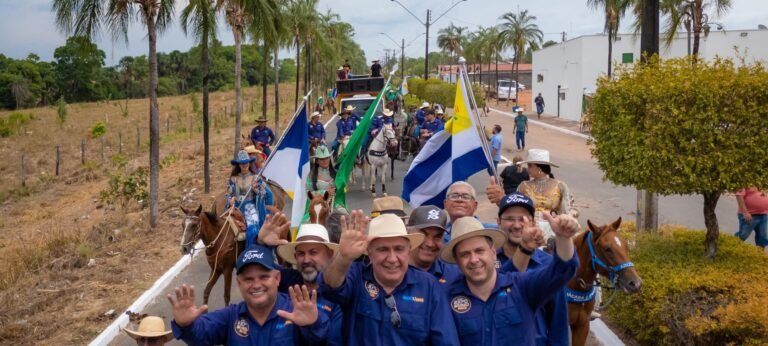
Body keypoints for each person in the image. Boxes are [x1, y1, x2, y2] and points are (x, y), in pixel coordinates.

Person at [318, 212, 460, 346]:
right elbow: (331, 286)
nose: (392, 259)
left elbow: (446, 341)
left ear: (408, 250)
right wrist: (343, 258)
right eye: (383, 249)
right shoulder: (356, 276)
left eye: (399, 249)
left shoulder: (429, 286)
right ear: (370, 253)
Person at [441, 213, 579, 346]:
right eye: (465, 254)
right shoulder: (445, 299)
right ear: (457, 262)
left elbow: (562, 270)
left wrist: (563, 238)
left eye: (479, 251)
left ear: (493, 253)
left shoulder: (522, 286)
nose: (474, 259)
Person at [167, 244, 328, 345]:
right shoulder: (230, 316)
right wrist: (186, 325)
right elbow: (201, 336)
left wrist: (311, 325)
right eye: (248, 279)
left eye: (264, 277)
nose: (256, 285)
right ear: (239, 284)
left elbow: (321, 337)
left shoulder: (297, 311)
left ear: (277, 278)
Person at [496, 192, 570, 346]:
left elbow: (559, 321)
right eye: (509, 219)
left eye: (523, 219)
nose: (516, 225)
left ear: (533, 223)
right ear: (498, 222)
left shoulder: (548, 265)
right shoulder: (486, 262)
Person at [274, 224, 344, 345]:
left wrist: (313, 324)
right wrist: (261, 243)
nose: (306, 260)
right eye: (301, 254)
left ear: (330, 254)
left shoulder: (340, 292)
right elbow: (259, 270)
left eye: (313, 252)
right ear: (295, 257)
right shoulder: (285, 279)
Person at [515, 149, 578, 241]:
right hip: (529, 230)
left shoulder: (560, 186)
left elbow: (573, 208)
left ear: (539, 168)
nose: (527, 169)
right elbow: (513, 207)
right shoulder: (523, 186)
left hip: (554, 230)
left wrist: (564, 218)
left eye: (530, 166)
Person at [226, 150, 274, 246]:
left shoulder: (256, 178)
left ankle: (251, 251)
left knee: (253, 230)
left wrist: (256, 191)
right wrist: (230, 200)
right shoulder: (233, 179)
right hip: (237, 208)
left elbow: (267, 194)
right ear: (238, 165)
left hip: (251, 208)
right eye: (242, 163)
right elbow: (229, 194)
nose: (244, 165)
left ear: (249, 162)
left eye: (246, 162)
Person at [406, 205, 461, 286]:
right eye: (423, 234)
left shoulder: (455, 275)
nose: (430, 244)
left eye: (437, 236)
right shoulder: (393, 272)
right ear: (408, 234)